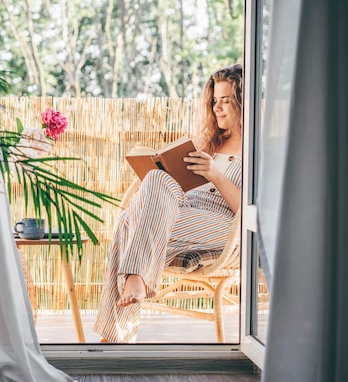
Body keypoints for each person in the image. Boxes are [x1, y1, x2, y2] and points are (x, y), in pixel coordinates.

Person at [93, 64, 243, 343]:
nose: (218, 108)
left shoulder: (259, 149)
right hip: (183, 209)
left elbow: (248, 211)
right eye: (214, 101)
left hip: (226, 224)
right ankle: (134, 284)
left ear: (243, 103)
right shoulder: (208, 143)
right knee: (156, 178)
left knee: (128, 223)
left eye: (226, 101)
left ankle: (116, 335)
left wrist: (213, 173)